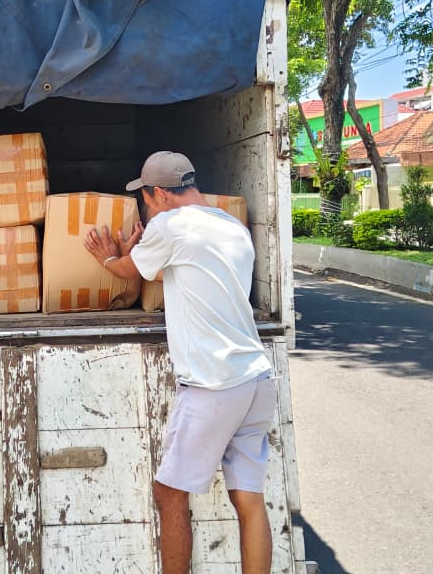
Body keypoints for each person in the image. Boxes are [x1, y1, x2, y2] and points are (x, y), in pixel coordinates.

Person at [83, 150, 276, 574]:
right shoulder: (231, 225)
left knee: (168, 491)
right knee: (248, 499)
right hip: (257, 377)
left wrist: (109, 257)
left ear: (159, 194)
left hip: (214, 382)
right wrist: (139, 252)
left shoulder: (170, 225)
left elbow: (128, 271)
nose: (146, 208)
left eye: (146, 200)